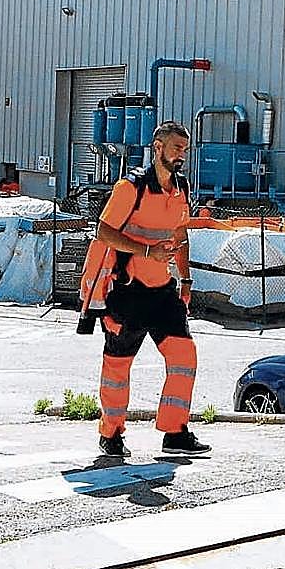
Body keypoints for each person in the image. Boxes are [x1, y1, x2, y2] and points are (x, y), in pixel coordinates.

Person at [84, 120, 209, 458]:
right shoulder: (131, 188)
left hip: (164, 292)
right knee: (117, 367)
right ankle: (110, 433)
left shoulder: (181, 188)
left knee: (184, 357)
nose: (182, 155)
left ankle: (174, 431)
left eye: (185, 149)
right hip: (127, 293)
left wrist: (185, 281)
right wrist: (146, 252)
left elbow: (181, 236)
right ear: (158, 148)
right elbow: (104, 233)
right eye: (176, 148)